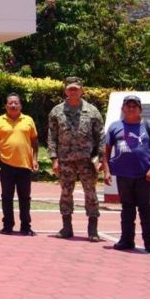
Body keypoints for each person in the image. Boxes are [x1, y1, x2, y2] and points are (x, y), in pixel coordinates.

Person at [102, 95, 150, 254]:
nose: (131, 108)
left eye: (134, 106)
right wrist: (106, 170)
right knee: (127, 209)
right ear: (122, 109)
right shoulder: (114, 127)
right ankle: (126, 240)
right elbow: (105, 149)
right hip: (124, 175)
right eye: (128, 106)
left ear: (140, 109)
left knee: (146, 210)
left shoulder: (149, 125)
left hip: (144, 176)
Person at [48, 76, 105, 242]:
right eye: (70, 88)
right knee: (66, 193)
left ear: (82, 90)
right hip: (65, 160)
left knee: (90, 193)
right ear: (65, 90)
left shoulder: (92, 111)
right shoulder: (56, 111)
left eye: (76, 88)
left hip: (87, 161)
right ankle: (67, 227)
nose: (73, 91)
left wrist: (101, 158)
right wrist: (53, 158)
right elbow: (52, 136)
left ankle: (92, 229)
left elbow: (100, 136)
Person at [0, 93, 39, 235]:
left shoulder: (28, 120)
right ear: (6, 105)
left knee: (25, 197)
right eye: (10, 103)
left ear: (20, 105)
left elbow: (35, 141)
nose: (13, 105)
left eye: (16, 103)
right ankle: (8, 225)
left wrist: (35, 159)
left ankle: (25, 226)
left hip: (25, 164)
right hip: (5, 164)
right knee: (6, 196)